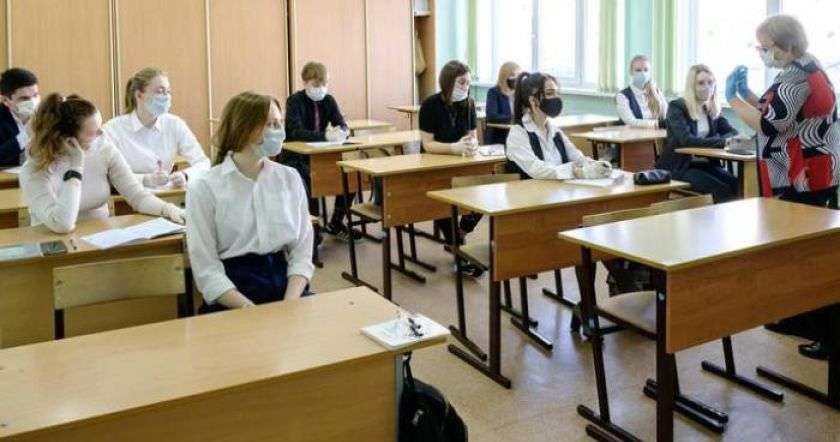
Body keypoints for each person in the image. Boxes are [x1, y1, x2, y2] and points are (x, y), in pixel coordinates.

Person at [726, 14, 840, 360]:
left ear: (787, 45)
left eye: (765, 47)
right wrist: (747, 93)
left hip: (802, 176)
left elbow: (769, 124)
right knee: (800, 252)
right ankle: (800, 318)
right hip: (811, 172)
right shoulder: (806, 66)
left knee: (806, 256)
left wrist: (732, 99)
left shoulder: (796, 76)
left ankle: (823, 332)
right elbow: (776, 109)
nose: (761, 53)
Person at [186, 92, 314, 313]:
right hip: (234, 293)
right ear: (243, 129)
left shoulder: (290, 178)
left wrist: (290, 302)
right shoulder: (205, 187)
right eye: (270, 124)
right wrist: (249, 310)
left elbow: (302, 251)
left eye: (279, 123)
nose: (279, 131)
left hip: (286, 287)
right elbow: (206, 269)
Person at [20, 93, 184, 234]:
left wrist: (169, 210)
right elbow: (62, 224)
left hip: (100, 237)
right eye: (93, 132)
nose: (102, 134)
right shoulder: (34, 169)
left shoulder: (104, 149)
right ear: (67, 140)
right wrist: (76, 167)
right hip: (54, 241)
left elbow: (138, 197)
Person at [418, 60, 483, 276]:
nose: (466, 87)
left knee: (486, 190)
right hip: (434, 165)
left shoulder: (469, 104)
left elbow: (473, 136)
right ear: (448, 82)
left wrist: (472, 145)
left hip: (461, 163)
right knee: (442, 204)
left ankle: (460, 233)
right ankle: (459, 249)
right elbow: (428, 144)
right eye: (461, 82)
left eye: (468, 83)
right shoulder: (430, 105)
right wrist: (453, 148)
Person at [281, 61, 355, 240]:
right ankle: (312, 228)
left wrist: (343, 132)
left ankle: (336, 222)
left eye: (324, 84)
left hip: (321, 154)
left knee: (352, 176)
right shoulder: (295, 101)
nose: (321, 88)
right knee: (308, 180)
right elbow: (296, 132)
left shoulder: (329, 100)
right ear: (305, 82)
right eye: (316, 84)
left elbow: (341, 123)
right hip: (296, 156)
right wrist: (326, 136)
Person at [104, 67, 209, 189]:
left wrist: (185, 175)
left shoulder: (174, 124)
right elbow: (105, 174)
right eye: (160, 91)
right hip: (128, 197)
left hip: (168, 196)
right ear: (139, 95)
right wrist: (144, 180)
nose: (166, 97)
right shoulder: (113, 129)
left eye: (168, 92)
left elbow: (203, 163)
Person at [506, 72, 612, 180]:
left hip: (558, 189)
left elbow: (578, 159)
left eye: (556, 93)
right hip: (530, 190)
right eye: (550, 93)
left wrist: (597, 166)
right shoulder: (518, 133)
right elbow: (536, 170)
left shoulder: (555, 132)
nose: (556, 98)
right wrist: (576, 172)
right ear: (533, 100)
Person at [656, 64, 739, 203]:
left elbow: (732, 132)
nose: (707, 87)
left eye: (710, 82)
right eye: (701, 83)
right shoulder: (677, 107)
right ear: (692, 86)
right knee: (721, 190)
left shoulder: (711, 108)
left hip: (706, 164)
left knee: (737, 184)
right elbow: (686, 140)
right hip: (680, 166)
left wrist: (722, 139)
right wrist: (722, 141)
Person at [0, 68, 39, 167]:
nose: (32, 102)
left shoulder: (46, 114)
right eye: (24, 98)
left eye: (35, 95)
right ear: (5, 100)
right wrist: (26, 135)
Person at [615, 55, 668, 129]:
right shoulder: (622, 96)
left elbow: (666, 116)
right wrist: (657, 124)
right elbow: (631, 121)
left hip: (658, 134)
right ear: (631, 72)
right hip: (633, 134)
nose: (643, 73)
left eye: (646, 70)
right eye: (638, 70)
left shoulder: (657, 91)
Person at [484, 61, 521, 145]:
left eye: (518, 75)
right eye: (513, 75)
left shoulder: (519, 93)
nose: (516, 78)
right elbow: (492, 116)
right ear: (504, 76)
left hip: (516, 134)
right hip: (498, 136)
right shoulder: (494, 92)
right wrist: (512, 118)